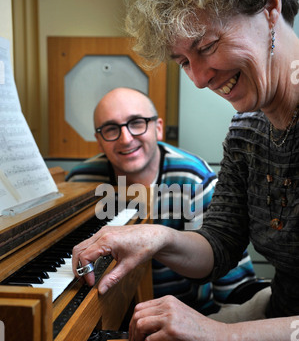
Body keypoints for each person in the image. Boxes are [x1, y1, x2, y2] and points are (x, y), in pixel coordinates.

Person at [72, 0, 299, 341]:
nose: (197, 79)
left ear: (271, 6)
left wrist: (217, 336)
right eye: (183, 62)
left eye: (207, 47)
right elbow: (218, 246)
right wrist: (157, 236)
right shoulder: (247, 129)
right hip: (281, 309)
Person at [67, 87, 256, 313]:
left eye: (137, 123)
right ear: (99, 141)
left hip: (186, 314)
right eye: (110, 129)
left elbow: (230, 283)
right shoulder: (81, 181)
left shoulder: (193, 178)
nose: (126, 139)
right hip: (107, 315)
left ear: (158, 129)